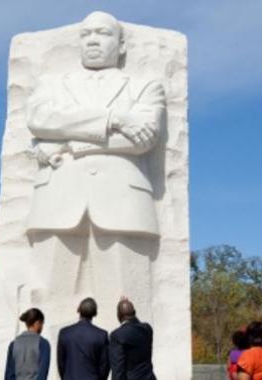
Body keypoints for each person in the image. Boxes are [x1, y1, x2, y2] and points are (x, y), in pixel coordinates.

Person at [25, 10, 166, 330]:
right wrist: (115, 120)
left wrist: (76, 142)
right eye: (86, 34)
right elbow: (41, 120)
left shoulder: (145, 86)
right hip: (57, 199)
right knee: (48, 299)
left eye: (102, 33)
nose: (92, 40)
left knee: (129, 302)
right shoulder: (52, 84)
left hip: (123, 201)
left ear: (122, 44)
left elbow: (143, 139)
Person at [57, 298, 110, 380]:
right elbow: (104, 366)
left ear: (78, 310)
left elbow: (61, 363)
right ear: (95, 313)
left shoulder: (65, 333)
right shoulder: (101, 335)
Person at [109, 299, 156, 380]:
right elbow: (136, 324)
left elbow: (118, 369)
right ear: (134, 313)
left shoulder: (117, 336)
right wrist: (130, 309)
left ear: (118, 315)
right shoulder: (147, 329)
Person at [5, 308, 51, 380]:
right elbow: (42, 374)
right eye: (42, 323)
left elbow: (9, 375)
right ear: (37, 323)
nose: (42, 327)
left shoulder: (13, 344)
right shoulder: (43, 344)